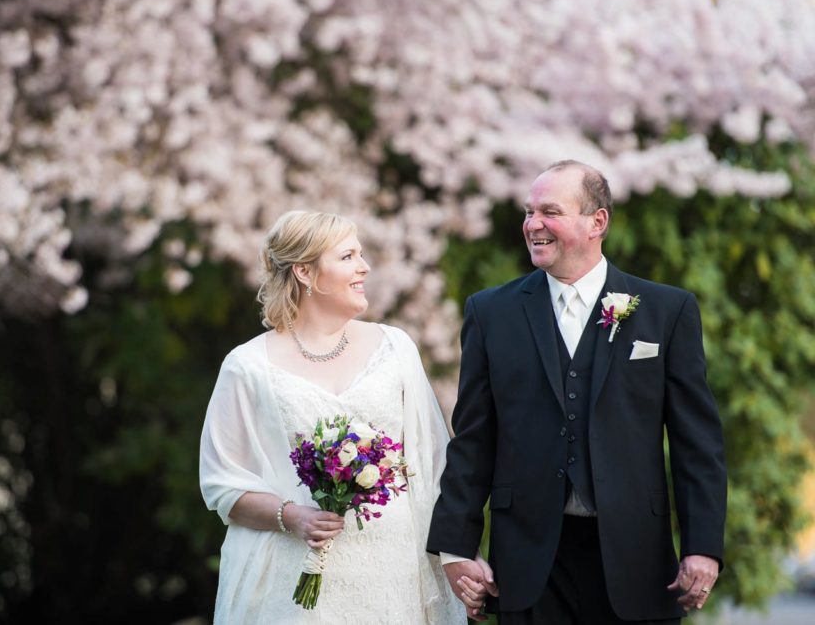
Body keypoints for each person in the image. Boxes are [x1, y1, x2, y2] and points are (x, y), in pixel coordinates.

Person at [427, 161, 727, 623]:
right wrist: (455, 547)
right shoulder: (491, 313)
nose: (532, 224)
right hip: (527, 562)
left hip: (638, 561)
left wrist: (703, 547)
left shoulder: (668, 311)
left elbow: (697, 443)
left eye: (550, 211)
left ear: (597, 222)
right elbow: (473, 438)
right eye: (529, 212)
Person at [199, 210, 469, 623]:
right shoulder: (247, 366)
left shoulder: (395, 348)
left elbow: (434, 466)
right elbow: (223, 486)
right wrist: (293, 516)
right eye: (347, 257)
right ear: (305, 272)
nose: (365, 267)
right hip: (292, 580)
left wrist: (457, 554)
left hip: (391, 573)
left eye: (360, 255)